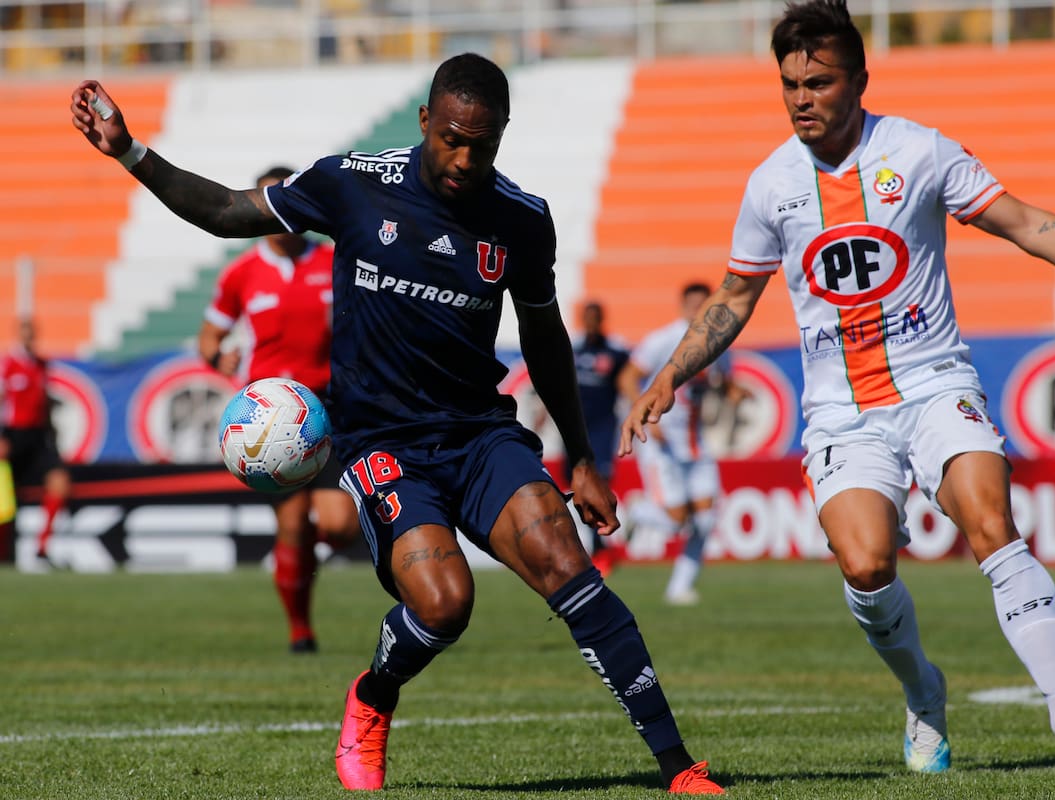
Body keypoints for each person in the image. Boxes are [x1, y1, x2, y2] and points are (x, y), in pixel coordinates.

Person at [72, 53, 723, 795]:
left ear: (503, 135)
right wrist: (130, 151)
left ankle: (679, 769)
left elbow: (545, 340)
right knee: (445, 605)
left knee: (568, 566)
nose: (464, 157)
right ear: (424, 122)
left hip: (480, 433)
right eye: (451, 138)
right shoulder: (352, 183)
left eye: (482, 144)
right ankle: (373, 696)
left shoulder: (521, 219)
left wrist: (581, 460)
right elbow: (228, 211)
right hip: (383, 443)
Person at [622, 0, 1055, 777]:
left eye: (817, 82)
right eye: (788, 83)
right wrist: (670, 374)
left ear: (859, 79)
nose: (800, 99)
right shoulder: (771, 184)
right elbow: (731, 298)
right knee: (865, 566)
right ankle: (924, 690)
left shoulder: (920, 152)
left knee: (991, 522)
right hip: (842, 413)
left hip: (935, 384)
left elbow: (1026, 222)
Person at [197, 165, 360, 653]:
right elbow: (211, 334)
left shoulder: (334, 261)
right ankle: (300, 633)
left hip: (327, 410)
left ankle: (302, 553)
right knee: (292, 523)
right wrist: (215, 355)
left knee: (341, 526)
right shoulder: (241, 272)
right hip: (268, 420)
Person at [618, 283, 738, 605]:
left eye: (704, 304)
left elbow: (722, 381)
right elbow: (628, 377)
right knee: (676, 520)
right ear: (683, 306)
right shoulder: (663, 340)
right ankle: (638, 512)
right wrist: (642, 413)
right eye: (694, 304)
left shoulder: (718, 340)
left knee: (705, 520)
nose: (699, 311)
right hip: (662, 441)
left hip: (696, 443)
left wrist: (733, 391)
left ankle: (679, 588)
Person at [0, 318, 71, 564]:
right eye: (25, 333)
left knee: (59, 481)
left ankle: (42, 547)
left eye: (32, 333)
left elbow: (44, 404)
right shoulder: (8, 364)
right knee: (5, 498)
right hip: (12, 435)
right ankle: (5, 553)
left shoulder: (42, 365)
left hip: (38, 437)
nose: (29, 338)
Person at [569, 300, 630, 577]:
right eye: (587, 317)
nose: (591, 322)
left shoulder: (615, 352)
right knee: (577, 488)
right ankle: (595, 547)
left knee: (600, 484)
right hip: (575, 431)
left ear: (601, 319)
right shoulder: (573, 350)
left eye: (595, 317)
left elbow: (627, 382)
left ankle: (599, 548)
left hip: (604, 429)